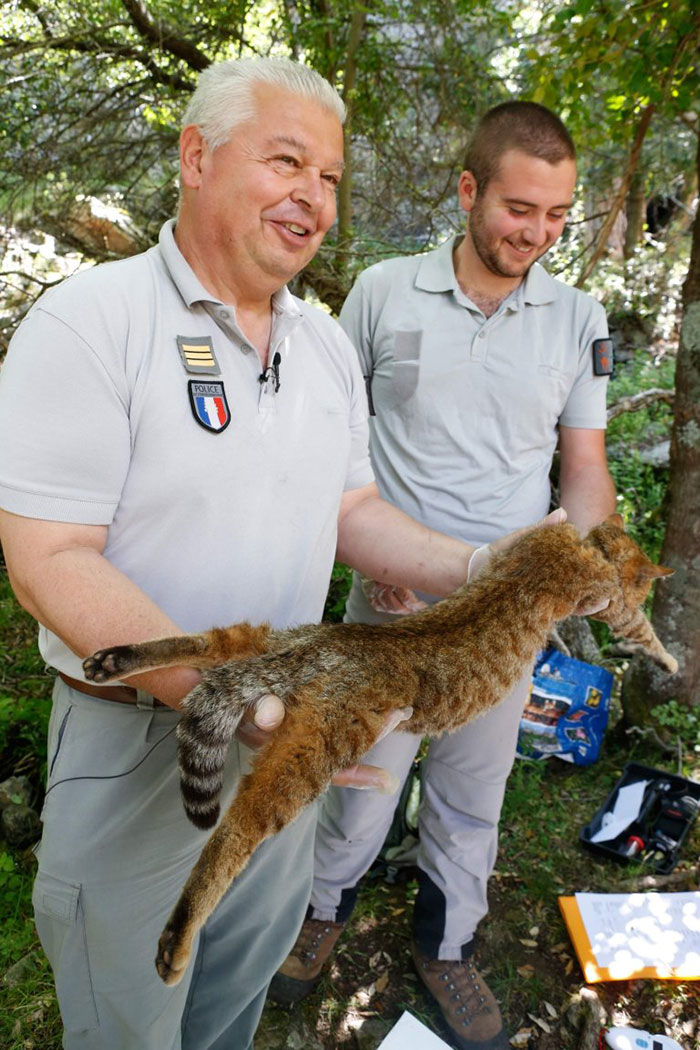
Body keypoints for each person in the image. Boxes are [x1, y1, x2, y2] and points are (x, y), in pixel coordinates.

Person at [0, 60, 554, 1050]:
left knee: (231, 1002)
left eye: (330, 177)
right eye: (286, 162)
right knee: (129, 1020)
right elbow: (49, 558)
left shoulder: (323, 346)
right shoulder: (92, 322)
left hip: (286, 736)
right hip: (139, 748)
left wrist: (486, 573)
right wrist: (238, 702)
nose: (313, 198)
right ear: (196, 157)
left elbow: (352, 511)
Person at [271, 101, 617, 1050]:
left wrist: (573, 562)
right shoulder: (383, 293)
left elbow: (584, 470)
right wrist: (363, 551)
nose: (537, 234)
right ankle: (320, 908)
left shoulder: (576, 318)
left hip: (503, 618)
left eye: (557, 215)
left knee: (474, 787)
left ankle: (449, 942)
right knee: (360, 778)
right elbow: (324, 444)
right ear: (469, 190)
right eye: (519, 209)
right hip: (388, 600)